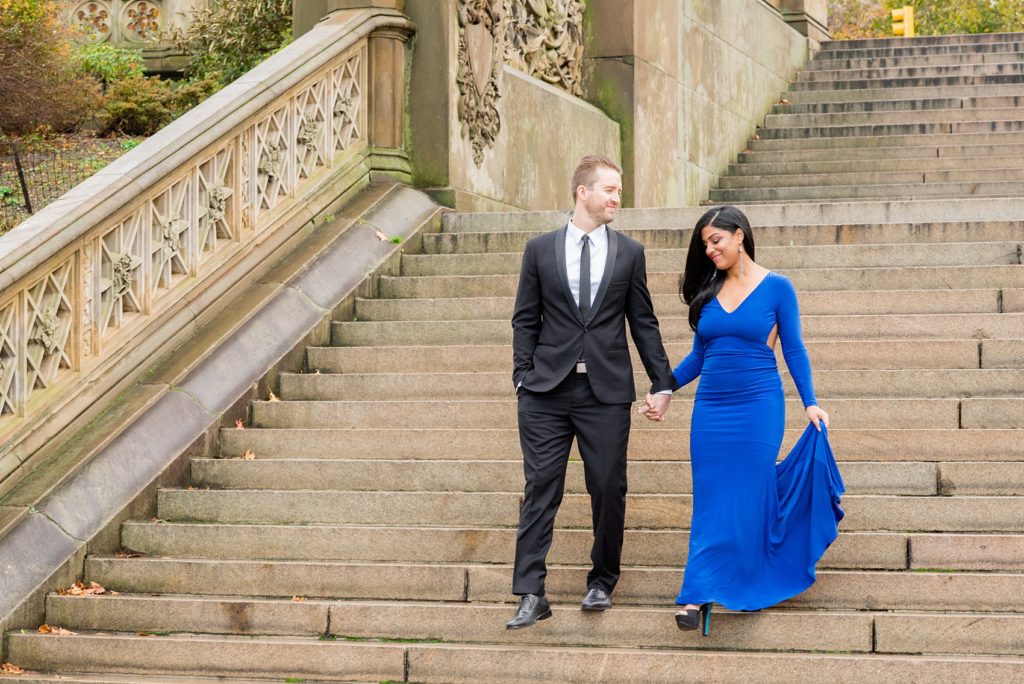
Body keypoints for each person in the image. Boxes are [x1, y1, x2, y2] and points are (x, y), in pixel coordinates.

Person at [647, 205, 844, 636]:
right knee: (712, 499)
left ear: (739, 236)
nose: (710, 249)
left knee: (749, 494)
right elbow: (699, 356)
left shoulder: (778, 288)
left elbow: (794, 349)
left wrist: (810, 402)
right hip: (711, 413)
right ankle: (700, 593)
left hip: (758, 408)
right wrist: (663, 390)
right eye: (704, 244)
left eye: (715, 240)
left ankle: (726, 585)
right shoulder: (710, 290)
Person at [506, 155, 678, 629]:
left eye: (618, 191)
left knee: (607, 486)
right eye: (609, 190)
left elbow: (642, 321)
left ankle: (602, 580)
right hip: (544, 390)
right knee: (541, 486)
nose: (616, 198)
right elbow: (525, 318)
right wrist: (522, 376)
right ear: (583, 192)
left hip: (604, 392)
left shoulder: (629, 252)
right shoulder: (539, 250)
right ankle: (530, 593)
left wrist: (662, 382)